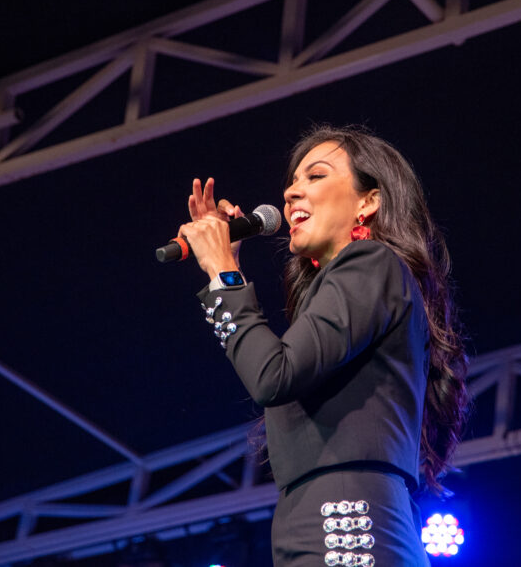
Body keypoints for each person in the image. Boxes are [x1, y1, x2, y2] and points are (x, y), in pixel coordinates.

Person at [177, 125, 468, 566]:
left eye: (314, 176)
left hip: (351, 524)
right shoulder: (347, 289)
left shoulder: (372, 263)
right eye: (292, 182)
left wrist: (223, 273)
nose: (292, 192)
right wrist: (227, 269)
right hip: (322, 521)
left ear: (368, 201)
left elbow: (273, 376)